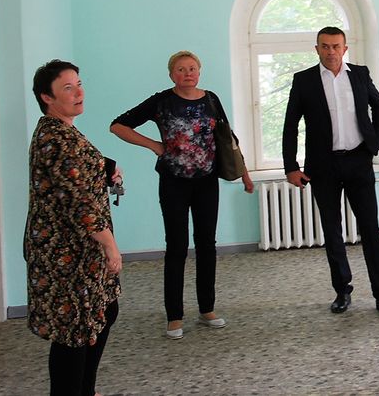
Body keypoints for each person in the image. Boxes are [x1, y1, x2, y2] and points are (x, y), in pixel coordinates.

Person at [109, 50, 254, 340]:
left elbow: (228, 139)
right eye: (181, 69)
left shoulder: (211, 99)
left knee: (207, 245)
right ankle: (174, 316)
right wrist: (154, 145)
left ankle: (207, 308)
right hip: (173, 182)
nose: (187, 73)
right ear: (171, 74)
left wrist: (245, 174)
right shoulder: (162, 101)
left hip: (206, 182)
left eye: (192, 68)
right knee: (176, 247)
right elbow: (118, 126)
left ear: (199, 72)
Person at [282, 26, 379, 318]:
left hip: (358, 161)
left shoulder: (359, 74)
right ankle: (342, 291)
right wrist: (291, 166)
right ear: (317, 49)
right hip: (323, 167)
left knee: (370, 228)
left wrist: (376, 141)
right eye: (325, 46)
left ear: (345, 49)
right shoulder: (304, 80)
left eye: (336, 46)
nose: (331, 51)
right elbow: (290, 125)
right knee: (332, 230)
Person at [25, 59, 122, 396]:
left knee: (103, 311)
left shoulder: (63, 131)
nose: (78, 92)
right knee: (74, 331)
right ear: (47, 97)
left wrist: (106, 167)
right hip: (65, 253)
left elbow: (76, 170)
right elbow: (78, 202)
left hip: (82, 250)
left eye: (78, 84)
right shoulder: (54, 138)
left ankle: (86, 389)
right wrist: (110, 245)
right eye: (67, 88)